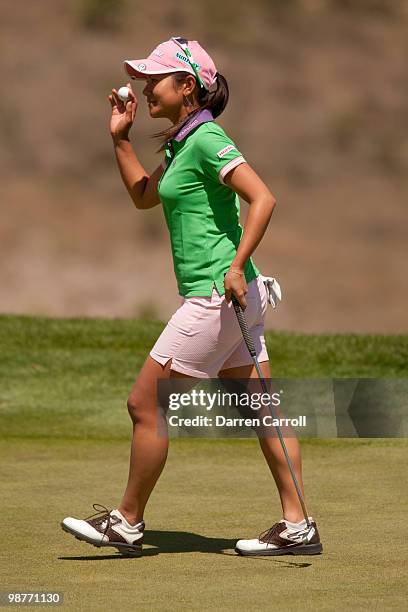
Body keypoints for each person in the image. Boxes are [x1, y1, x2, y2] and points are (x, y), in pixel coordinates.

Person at [61, 37, 322, 557]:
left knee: (145, 404)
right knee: (263, 412)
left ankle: (127, 521)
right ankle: (298, 526)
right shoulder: (184, 144)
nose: (144, 86)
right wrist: (121, 139)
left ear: (187, 86)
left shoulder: (207, 138)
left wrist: (233, 264)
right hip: (230, 300)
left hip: (215, 296)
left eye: (155, 78)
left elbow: (263, 198)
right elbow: (143, 196)